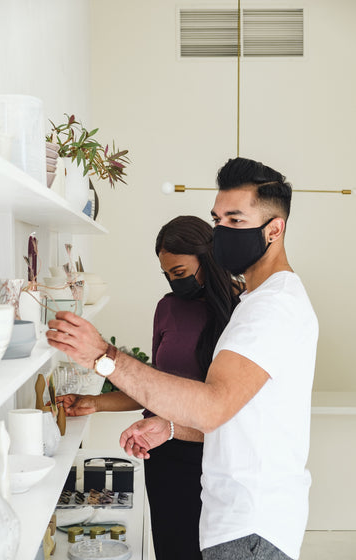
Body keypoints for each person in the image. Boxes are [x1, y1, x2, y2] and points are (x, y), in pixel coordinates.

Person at [46, 157, 319, 560]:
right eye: (218, 219)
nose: (222, 230)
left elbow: (211, 408)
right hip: (236, 520)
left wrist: (103, 357)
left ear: (274, 230)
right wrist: (170, 430)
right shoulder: (256, 302)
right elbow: (235, 416)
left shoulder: (272, 309)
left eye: (236, 220)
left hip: (250, 527)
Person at [55, 215, 240, 560]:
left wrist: (171, 426)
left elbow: (235, 409)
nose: (174, 282)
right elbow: (151, 386)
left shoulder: (243, 312)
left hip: (216, 456)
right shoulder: (167, 309)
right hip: (164, 454)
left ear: (209, 257)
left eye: (180, 273)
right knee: (173, 549)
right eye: (167, 275)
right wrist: (95, 403)